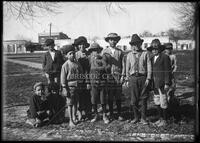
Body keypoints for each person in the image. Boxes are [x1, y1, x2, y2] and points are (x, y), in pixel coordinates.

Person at [125, 34, 152, 125]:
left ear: (140, 44)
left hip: (143, 78)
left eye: (137, 44)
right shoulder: (129, 55)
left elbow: (149, 66)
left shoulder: (145, 54)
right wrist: (126, 78)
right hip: (133, 78)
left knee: (144, 98)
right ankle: (136, 117)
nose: (135, 46)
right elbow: (127, 68)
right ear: (131, 45)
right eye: (133, 44)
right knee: (134, 99)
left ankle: (143, 118)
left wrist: (148, 78)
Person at [101, 33, 124, 121]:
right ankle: (111, 113)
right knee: (110, 96)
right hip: (108, 77)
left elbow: (123, 64)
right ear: (108, 41)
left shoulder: (120, 52)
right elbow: (103, 65)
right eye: (111, 40)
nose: (113, 41)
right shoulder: (104, 51)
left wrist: (123, 76)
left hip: (118, 76)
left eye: (114, 40)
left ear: (117, 41)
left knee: (118, 96)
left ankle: (119, 113)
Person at [60, 45, 83, 127]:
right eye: (70, 54)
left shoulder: (77, 64)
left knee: (76, 103)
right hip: (69, 87)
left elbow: (81, 73)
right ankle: (71, 120)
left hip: (77, 86)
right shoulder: (65, 65)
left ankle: (74, 116)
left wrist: (80, 81)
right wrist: (64, 88)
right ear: (66, 55)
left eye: (73, 53)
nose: (72, 55)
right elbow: (63, 78)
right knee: (70, 104)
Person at [87, 43, 110, 124]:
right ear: (91, 52)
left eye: (97, 50)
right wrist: (88, 82)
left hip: (102, 82)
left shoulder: (103, 58)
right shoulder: (89, 59)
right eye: (93, 51)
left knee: (103, 99)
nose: (95, 52)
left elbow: (107, 69)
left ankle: (104, 115)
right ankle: (96, 115)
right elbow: (87, 72)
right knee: (93, 100)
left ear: (99, 51)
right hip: (93, 82)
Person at [151, 39, 172, 127]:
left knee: (163, 101)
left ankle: (165, 120)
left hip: (162, 83)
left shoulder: (165, 57)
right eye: (153, 49)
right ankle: (160, 119)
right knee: (157, 101)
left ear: (160, 49)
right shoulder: (152, 58)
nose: (154, 50)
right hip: (155, 83)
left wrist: (167, 83)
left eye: (156, 48)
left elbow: (168, 71)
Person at [74, 36, 92, 121]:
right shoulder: (75, 55)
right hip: (78, 78)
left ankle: (88, 112)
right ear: (78, 46)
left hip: (88, 77)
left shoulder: (89, 54)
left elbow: (90, 68)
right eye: (80, 45)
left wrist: (88, 81)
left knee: (88, 95)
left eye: (83, 44)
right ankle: (80, 112)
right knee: (79, 96)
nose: (82, 46)